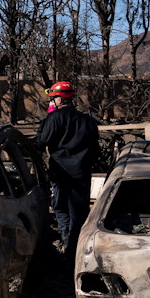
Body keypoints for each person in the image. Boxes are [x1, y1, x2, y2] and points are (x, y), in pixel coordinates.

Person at [35, 80, 99, 254]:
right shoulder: (88, 121)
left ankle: (66, 244)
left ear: (58, 99)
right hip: (81, 173)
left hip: (61, 173)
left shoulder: (54, 118)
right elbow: (96, 150)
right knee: (79, 212)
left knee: (61, 208)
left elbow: (40, 142)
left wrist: (49, 119)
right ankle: (77, 249)